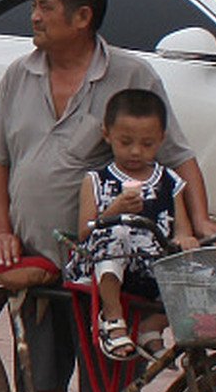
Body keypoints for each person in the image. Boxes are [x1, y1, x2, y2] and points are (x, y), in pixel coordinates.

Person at [0, 0, 213, 392]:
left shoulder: (131, 76)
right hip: (35, 257)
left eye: (45, 6)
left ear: (82, 17)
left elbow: (179, 158)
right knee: (43, 384)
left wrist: (201, 224)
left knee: (118, 391)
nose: (34, 15)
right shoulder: (18, 75)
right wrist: (1, 230)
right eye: (35, 5)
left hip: (108, 266)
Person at [68, 89, 199, 360]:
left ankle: (152, 327)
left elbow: (181, 228)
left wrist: (185, 239)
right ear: (107, 135)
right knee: (116, 232)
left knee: (209, 274)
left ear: (161, 139)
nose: (136, 151)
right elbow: (84, 231)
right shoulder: (96, 180)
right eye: (126, 142)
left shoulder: (169, 180)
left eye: (147, 143)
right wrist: (114, 210)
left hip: (150, 266)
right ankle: (112, 319)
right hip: (105, 266)